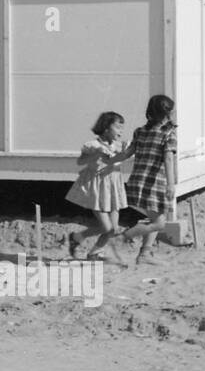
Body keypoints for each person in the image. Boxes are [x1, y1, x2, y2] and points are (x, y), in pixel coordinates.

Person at [64, 112, 129, 265]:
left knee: (113, 229)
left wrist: (126, 152)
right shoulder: (93, 145)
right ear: (106, 128)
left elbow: (116, 159)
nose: (121, 131)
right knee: (107, 227)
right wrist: (96, 154)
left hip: (114, 188)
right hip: (97, 188)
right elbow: (80, 162)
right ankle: (77, 238)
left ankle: (93, 251)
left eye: (122, 128)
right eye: (118, 128)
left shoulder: (119, 146)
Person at [123, 95, 178, 265]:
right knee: (160, 223)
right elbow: (168, 159)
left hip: (137, 181)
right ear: (167, 113)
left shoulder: (140, 131)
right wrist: (171, 184)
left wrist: (110, 160)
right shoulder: (169, 133)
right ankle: (124, 237)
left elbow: (127, 153)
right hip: (154, 182)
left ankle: (144, 254)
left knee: (156, 219)